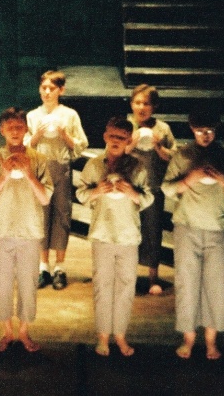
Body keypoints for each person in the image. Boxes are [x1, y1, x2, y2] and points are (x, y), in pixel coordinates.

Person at [161, 107, 224, 360]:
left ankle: (211, 341)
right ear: (191, 129)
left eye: (209, 131)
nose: (205, 135)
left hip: (218, 227)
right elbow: (167, 188)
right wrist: (190, 178)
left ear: (216, 130)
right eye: (200, 131)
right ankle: (188, 339)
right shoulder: (183, 155)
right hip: (187, 226)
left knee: (217, 285)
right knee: (187, 283)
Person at [76, 117, 153, 357]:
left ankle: (120, 334)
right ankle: (103, 336)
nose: (116, 141)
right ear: (105, 136)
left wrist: (132, 192)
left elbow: (148, 198)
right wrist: (96, 190)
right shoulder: (94, 165)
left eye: (122, 137)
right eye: (112, 136)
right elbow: (81, 194)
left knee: (126, 287)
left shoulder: (138, 167)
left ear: (129, 141)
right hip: (102, 233)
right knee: (102, 285)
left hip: (128, 234)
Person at [0, 108, 52, 353]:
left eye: (19, 127)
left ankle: (23, 331)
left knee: (27, 283)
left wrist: (29, 174)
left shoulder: (38, 159)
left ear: (26, 129)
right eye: (9, 127)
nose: (14, 131)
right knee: (1, 283)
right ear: (1, 130)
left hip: (30, 229)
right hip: (3, 228)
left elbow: (45, 198)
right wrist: (3, 175)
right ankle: (7, 332)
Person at [27, 70, 88, 290]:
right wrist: (37, 135)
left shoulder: (69, 115)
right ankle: (43, 266)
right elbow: (26, 145)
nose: (47, 92)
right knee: (42, 216)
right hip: (40, 170)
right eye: (43, 88)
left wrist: (64, 134)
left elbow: (81, 144)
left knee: (62, 214)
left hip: (61, 169)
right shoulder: (33, 115)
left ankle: (59, 266)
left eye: (51, 88)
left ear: (61, 90)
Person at [127, 84, 175, 295]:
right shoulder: (126, 125)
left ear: (154, 106)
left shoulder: (162, 128)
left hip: (154, 186)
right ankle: (127, 274)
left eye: (146, 103)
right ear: (131, 104)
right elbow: (115, 152)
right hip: (129, 187)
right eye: (137, 102)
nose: (141, 107)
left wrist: (158, 146)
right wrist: (131, 143)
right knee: (128, 230)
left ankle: (153, 276)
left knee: (153, 231)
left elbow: (172, 156)